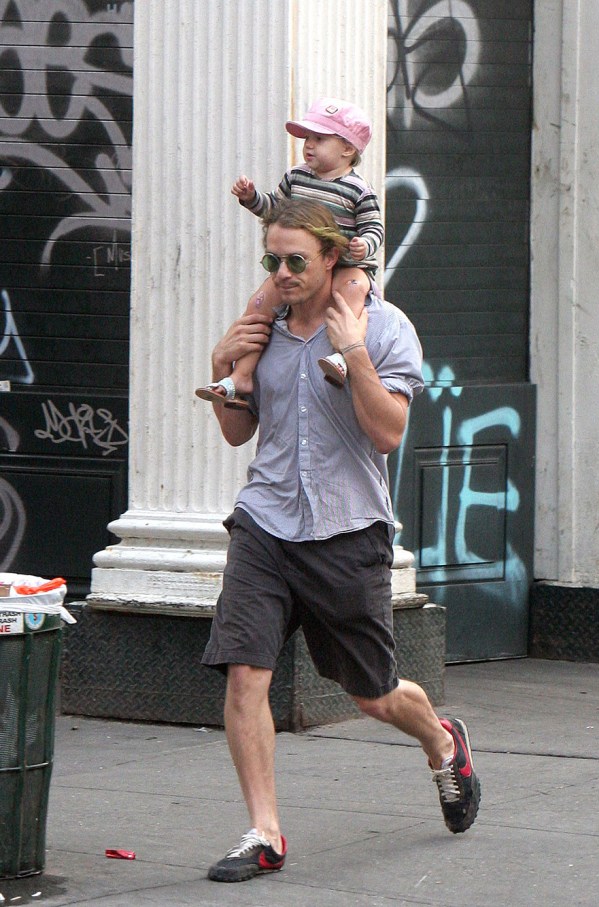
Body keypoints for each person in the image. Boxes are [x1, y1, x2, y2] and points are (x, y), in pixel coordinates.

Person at [201, 198, 481, 884]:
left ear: (334, 257)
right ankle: (264, 831)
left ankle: (443, 742)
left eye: (298, 260)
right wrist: (225, 368)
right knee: (245, 674)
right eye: (273, 260)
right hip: (265, 523)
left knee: (373, 694)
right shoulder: (263, 326)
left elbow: (386, 433)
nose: (284, 273)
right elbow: (240, 434)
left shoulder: (385, 328)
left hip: (346, 532)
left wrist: (351, 351)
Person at [195, 97, 384, 407]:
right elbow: (275, 210)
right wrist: (251, 197)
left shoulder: (358, 190)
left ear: (348, 149)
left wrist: (365, 244)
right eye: (306, 138)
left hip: (346, 263)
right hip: (299, 265)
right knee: (258, 303)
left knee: (352, 296)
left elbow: (374, 228)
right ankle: (242, 374)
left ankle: (341, 357)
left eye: (319, 139)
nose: (308, 145)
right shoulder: (296, 177)